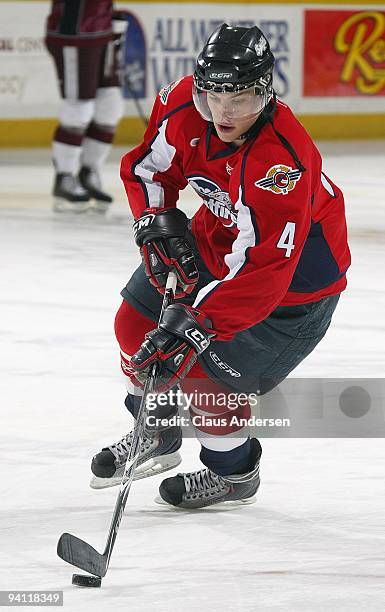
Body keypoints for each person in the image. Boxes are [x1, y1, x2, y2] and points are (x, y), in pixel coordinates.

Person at [90, 24, 351, 508]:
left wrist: (196, 325)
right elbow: (149, 168)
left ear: (266, 90)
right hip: (216, 238)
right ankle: (158, 430)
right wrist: (156, 219)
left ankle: (234, 472)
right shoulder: (183, 104)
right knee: (134, 325)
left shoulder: (280, 163)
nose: (225, 112)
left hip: (295, 284)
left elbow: (265, 267)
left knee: (205, 380)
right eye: (214, 95)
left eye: (243, 98)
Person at [45, 1, 127, 213]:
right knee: (78, 108)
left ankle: (89, 172)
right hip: (73, 34)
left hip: (103, 30)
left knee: (110, 107)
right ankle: (65, 176)